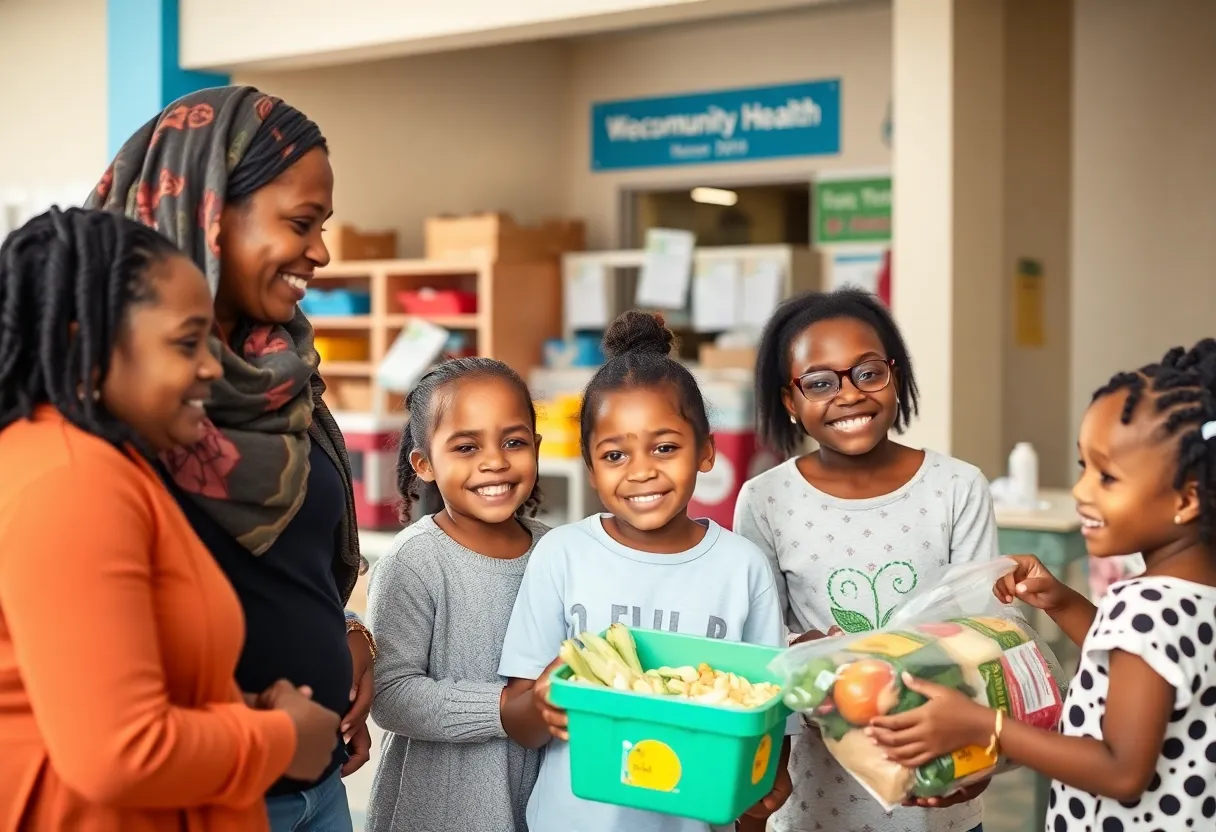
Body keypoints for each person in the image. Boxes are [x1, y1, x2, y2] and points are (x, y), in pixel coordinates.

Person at [86, 86, 373, 831]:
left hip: (320, 788)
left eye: (323, 226)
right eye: (301, 223)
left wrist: (346, 632)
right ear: (209, 215)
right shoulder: (106, 406)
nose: (321, 251)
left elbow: (288, 563)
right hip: (203, 797)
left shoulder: (283, 369)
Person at [0, 208, 341, 831]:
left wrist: (242, 707)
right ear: (83, 346)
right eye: (186, 344)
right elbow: (119, 752)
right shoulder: (70, 480)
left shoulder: (114, 464)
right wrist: (282, 738)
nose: (211, 367)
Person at [869, 340, 1216, 831]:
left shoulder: (1143, 603)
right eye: (1084, 467)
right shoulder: (1191, 593)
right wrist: (1064, 602)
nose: (1081, 491)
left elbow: (1121, 772)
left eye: (1108, 477)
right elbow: (1143, 667)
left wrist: (980, 724)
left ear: (1186, 499)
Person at [498, 310, 794, 832]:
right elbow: (520, 721)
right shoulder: (562, 555)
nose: (642, 471)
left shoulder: (742, 567)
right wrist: (543, 704)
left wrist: (760, 803)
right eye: (615, 455)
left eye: (665, 447)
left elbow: (767, 721)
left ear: (706, 451)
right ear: (591, 468)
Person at [733, 287, 995, 832]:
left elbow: (986, 634)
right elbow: (757, 643)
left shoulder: (957, 487)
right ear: (790, 401)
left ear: (895, 376)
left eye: (868, 373)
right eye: (819, 383)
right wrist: (801, 649)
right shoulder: (765, 500)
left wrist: (984, 747)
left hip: (942, 788)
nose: (849, 394)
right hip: (818, 801)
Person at [366, 358, 546, 831]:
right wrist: (503, 710)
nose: (495, 461)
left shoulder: (556, 552)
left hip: (534, 805)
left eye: (514, 442)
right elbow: (390, 694)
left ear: (536, 446)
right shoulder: (414, 560)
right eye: (466, 447)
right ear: (424, 465)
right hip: (436, 812)